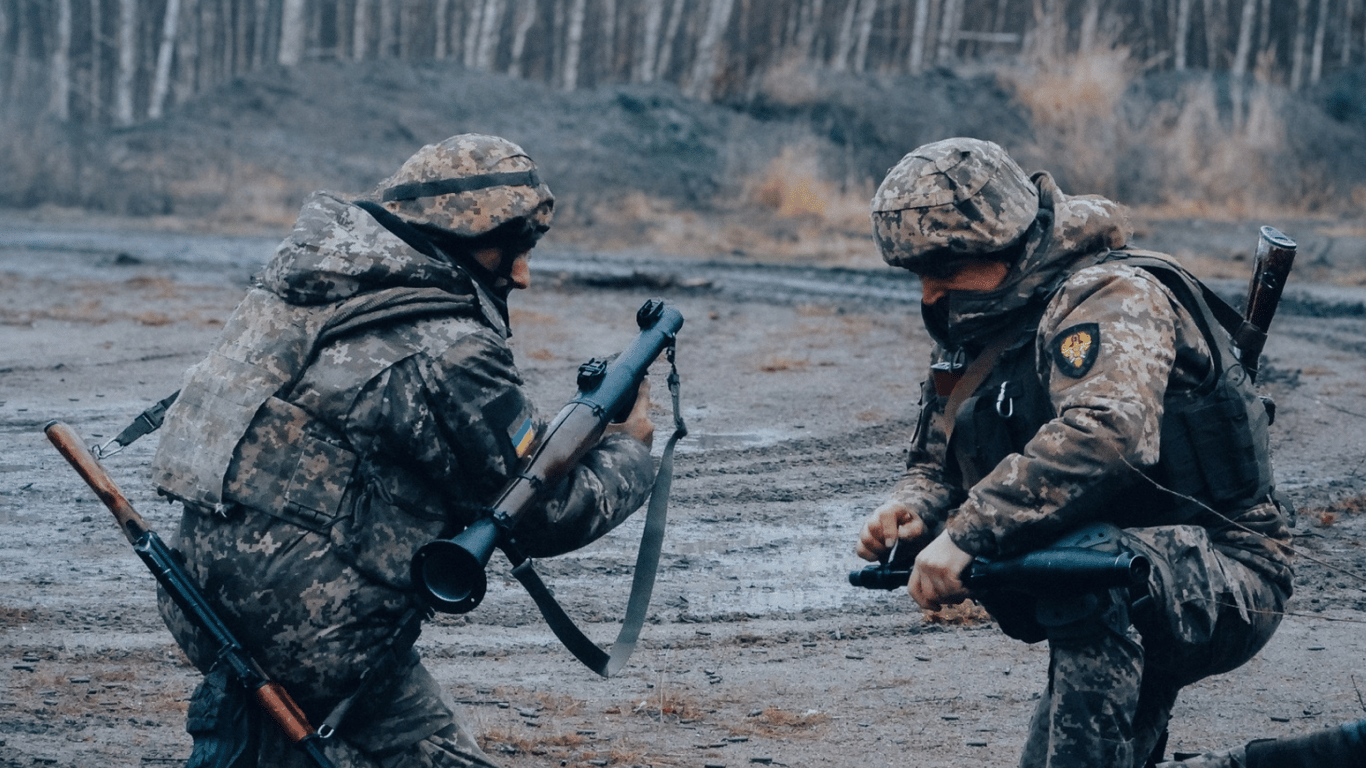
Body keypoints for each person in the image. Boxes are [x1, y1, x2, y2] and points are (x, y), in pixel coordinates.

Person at [149, 134, 658, 767]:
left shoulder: (310, 284)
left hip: (199, 604)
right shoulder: (450, 348)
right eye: (513, 248)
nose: (522, 275)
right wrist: (632, 449)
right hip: (324, 638)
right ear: (459, 232)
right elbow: (540, 514)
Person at [854, 137, 1293, 768]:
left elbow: (1109, 436)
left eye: (941, 272)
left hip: (1232, 568)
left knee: (1083, 578)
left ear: (1001, 246)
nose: (928, 295)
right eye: (918, 275)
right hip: (1125, 559)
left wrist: (970, 531)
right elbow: (938, 457)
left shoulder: (1111, 295)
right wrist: (914, 508)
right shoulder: (985, 314)